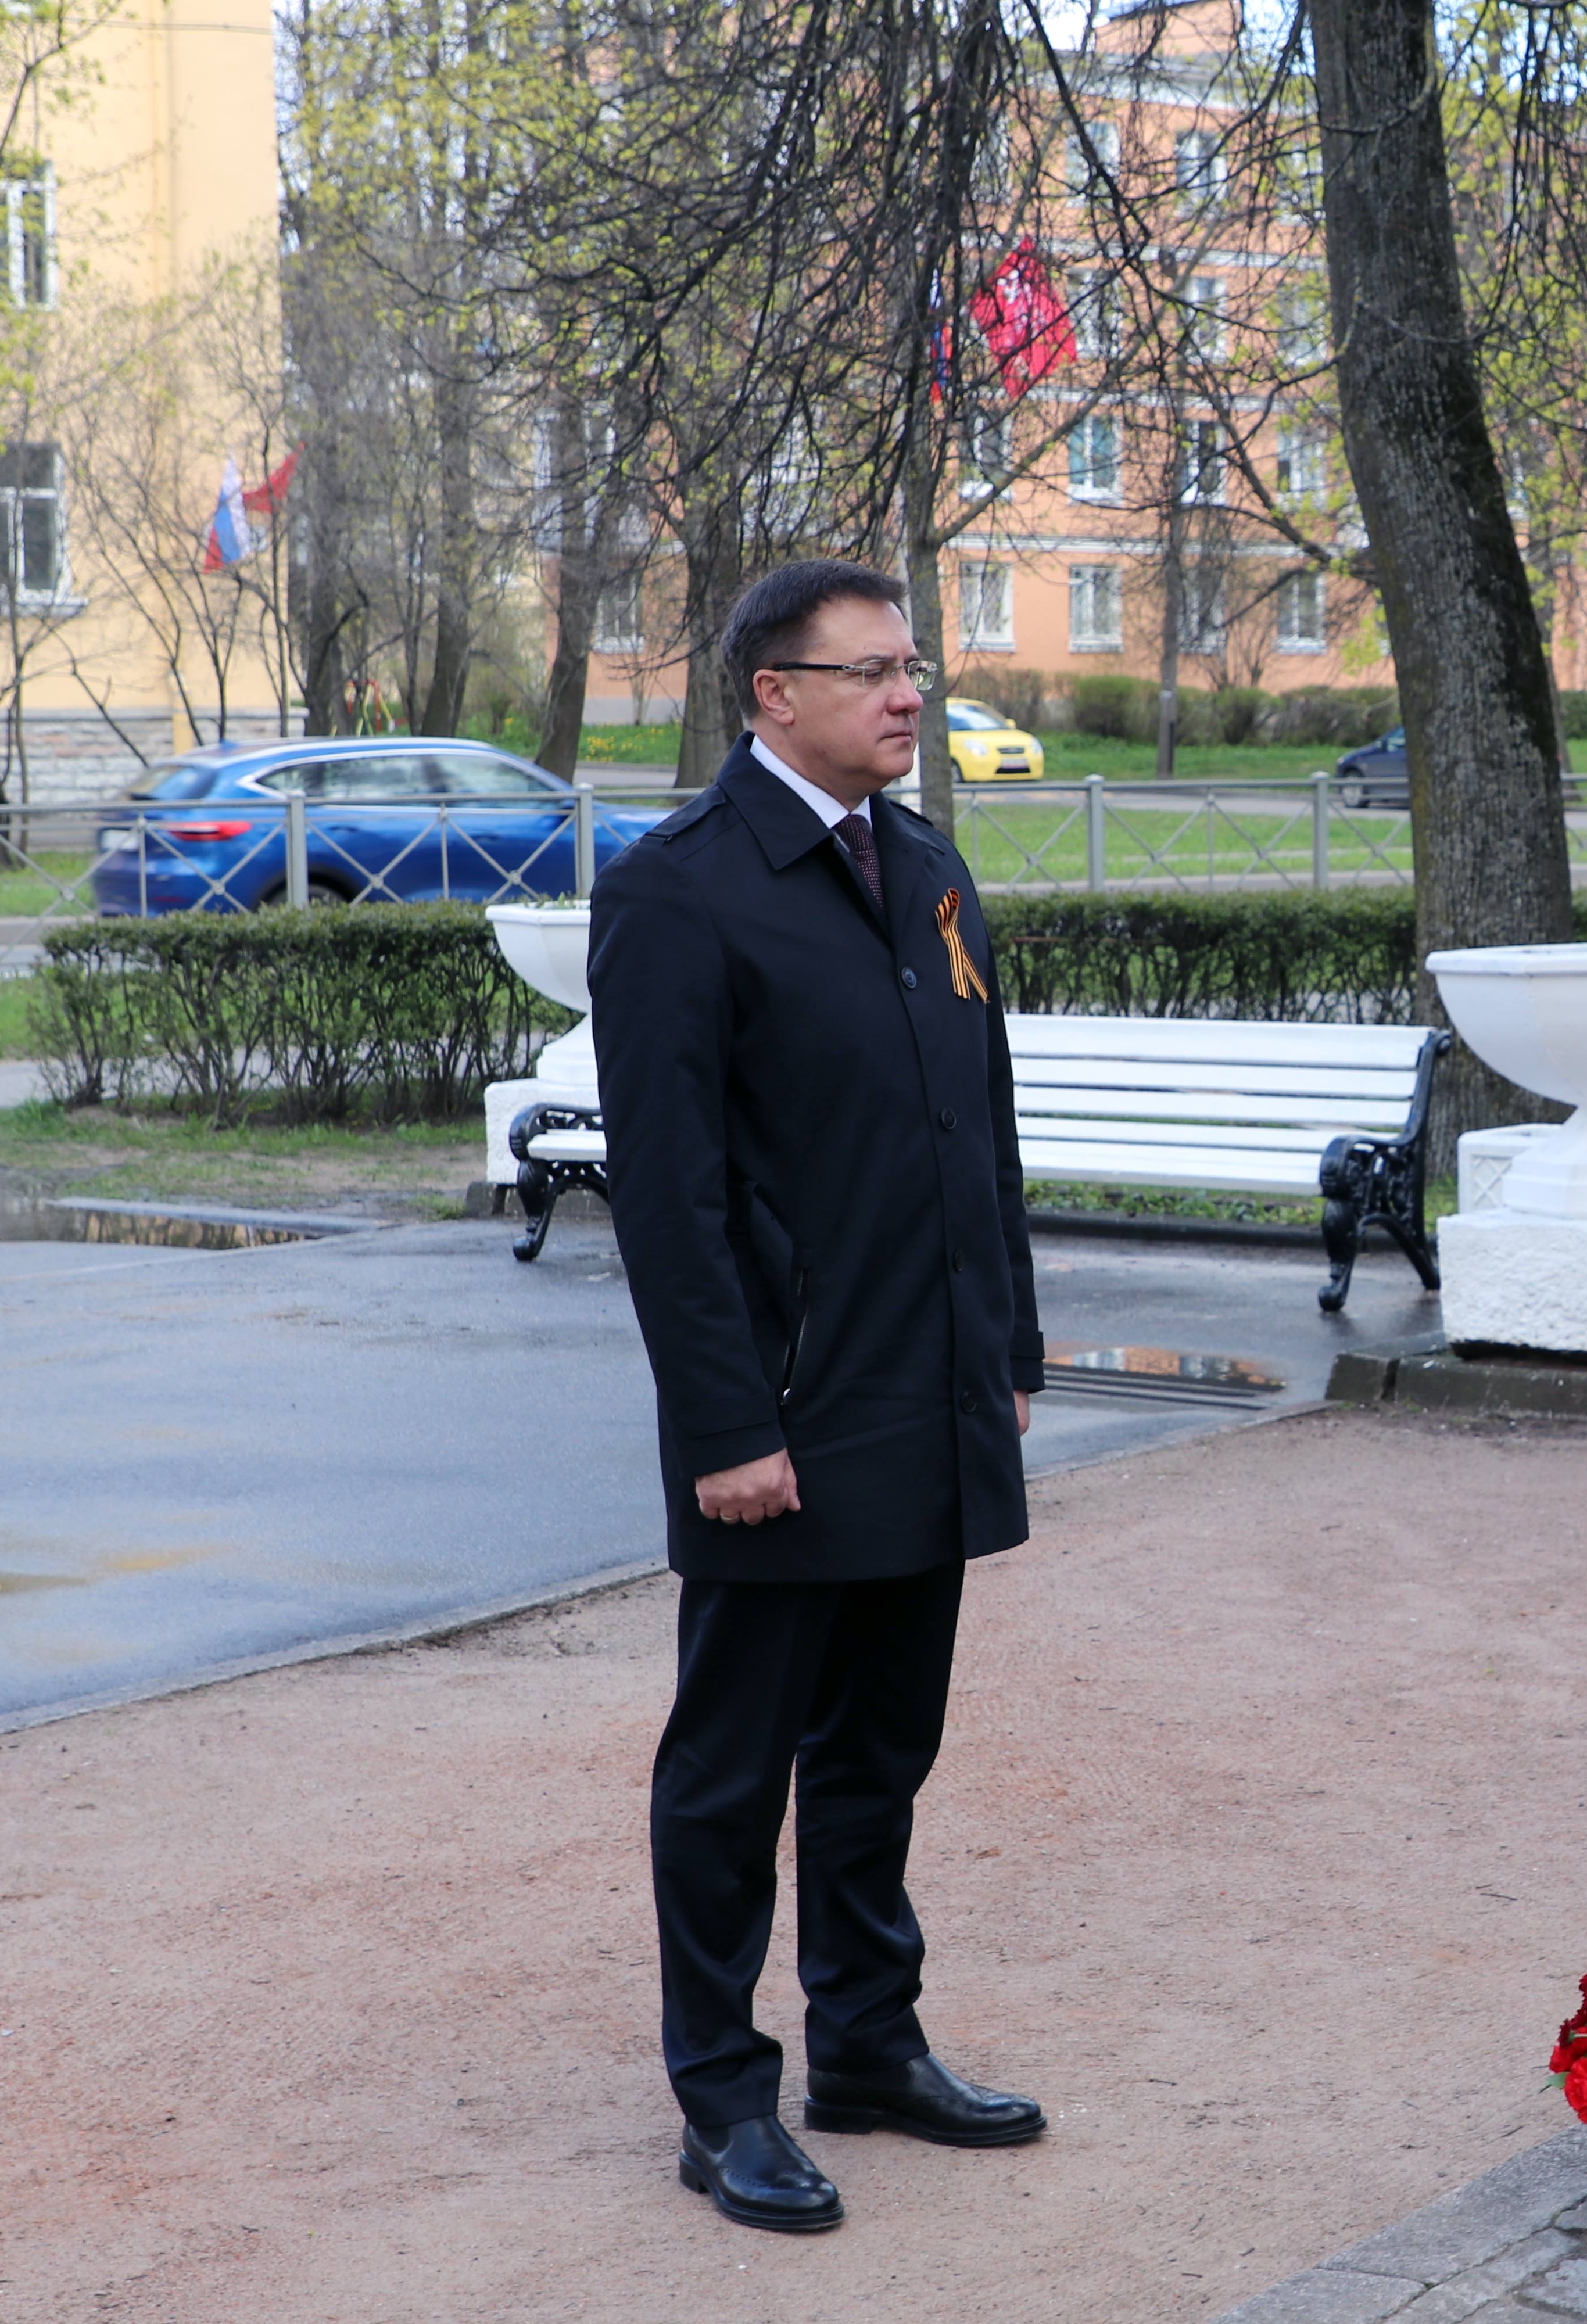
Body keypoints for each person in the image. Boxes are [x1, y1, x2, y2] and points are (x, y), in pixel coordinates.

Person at [588, 558, 1048, 2235]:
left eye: (913, 665)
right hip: (781, 1413)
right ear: (773, 694)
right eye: (870, 672)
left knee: (882, 1749)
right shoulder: (679, 892)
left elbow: (981, 1135)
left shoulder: (923, 867)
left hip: (925, 1391)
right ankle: (724, 2099)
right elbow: (671, 1198)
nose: (909, 695)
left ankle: (867, 2042)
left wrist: (1005, 1352)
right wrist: (727, 1428)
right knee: (732, 1773)